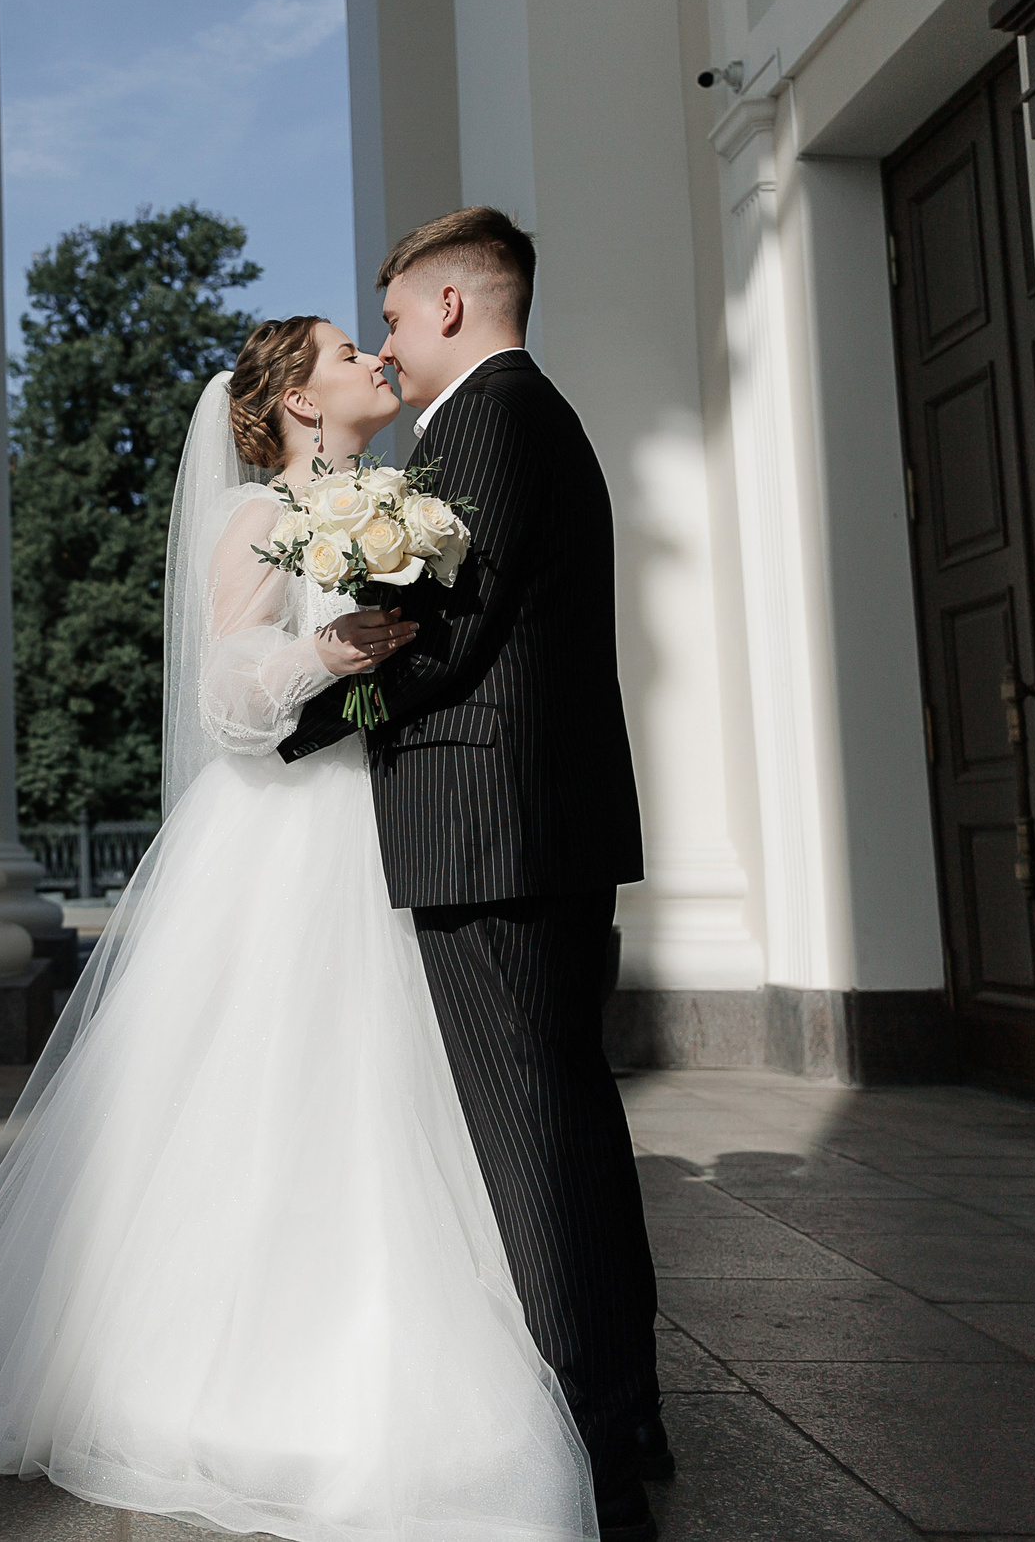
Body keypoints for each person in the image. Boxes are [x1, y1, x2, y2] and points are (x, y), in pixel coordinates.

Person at [0, 311, 604, 1541]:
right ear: (296, 406)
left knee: (378, 1095)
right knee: (273, 1088)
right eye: (341, 354)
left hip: (380, 821)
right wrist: (330, 649)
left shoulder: (395, 498)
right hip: (283, 836)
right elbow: (227, 695)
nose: (372, 360)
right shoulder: (257, 516)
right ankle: (224, 1383)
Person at [281, 207, 660, 1536]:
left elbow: (442, 647)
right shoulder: (516, 413)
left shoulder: (493, 416)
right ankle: (628, 1403)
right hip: (527, 826)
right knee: (567, 1119)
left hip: (491, 831)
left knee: (530, 1147)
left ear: (449, 304)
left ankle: (591, 1451)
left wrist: (313, 718)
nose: (385, 339)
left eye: (389, 316)